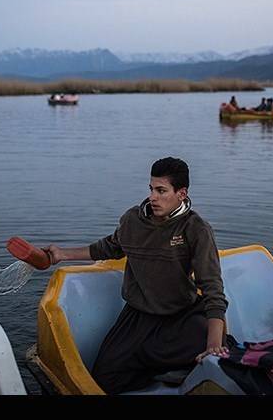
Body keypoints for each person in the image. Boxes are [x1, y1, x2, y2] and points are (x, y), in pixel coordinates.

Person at [44, 157, 228, 394]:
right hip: (138, 316)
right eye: (151, 189)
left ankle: (177, 364)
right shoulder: (133, 220)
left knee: (214, 340)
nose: (153, 197)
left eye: (161, 191)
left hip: (181, 314)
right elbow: (107, 248)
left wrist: (212, 347)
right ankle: (161, 368)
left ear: (181, 194)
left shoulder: (196, 229)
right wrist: (61, 254)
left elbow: (212, 288)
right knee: (105, 378)